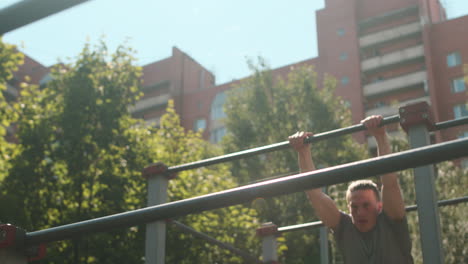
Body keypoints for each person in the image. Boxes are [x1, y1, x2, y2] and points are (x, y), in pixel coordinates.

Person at [288, 115, 413, 264]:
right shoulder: (345, 227)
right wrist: (303, 151)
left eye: (366, 205)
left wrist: (380, 136)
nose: (360, 212)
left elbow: (390, 182)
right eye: (354, 207)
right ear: (348, 208)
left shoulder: (391, 219)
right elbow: (315, 195)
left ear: (379, 206)